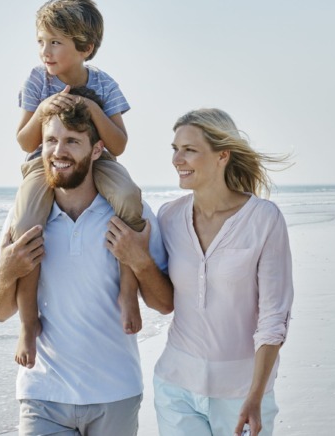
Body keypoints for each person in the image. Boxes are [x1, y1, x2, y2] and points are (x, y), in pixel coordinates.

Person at [0, 101, 173, 435]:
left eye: (72, 141)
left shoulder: (130, 212)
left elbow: (164, 303)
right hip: (42, 394)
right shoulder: (26, 217)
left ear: (97, 149)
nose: (58, 151)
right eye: (51, 141)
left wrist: (138, 260)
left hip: (115, 392)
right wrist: (7, 271)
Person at [108, 108, 293, 436]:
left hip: (242, 394)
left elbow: (274, 319)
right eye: (175, 149)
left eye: (189, 150)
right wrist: (138, 262)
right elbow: (164, 302)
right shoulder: (169, 217)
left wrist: (255, 395)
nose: (177, 159)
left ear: (223, 155)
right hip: (176, 386)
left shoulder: (264, 219)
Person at [11, 0, 146, 369]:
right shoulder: (38, 80)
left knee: (130, 199)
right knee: (24, 228)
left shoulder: (103, 83)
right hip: (44, 163)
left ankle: (129, 293)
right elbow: (25, 142)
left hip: (98, 159)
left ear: (85, 47)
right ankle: (27, 323)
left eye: (56, 42)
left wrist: (93, 111)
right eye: (41, 41)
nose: (45, 51)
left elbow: (119, 143)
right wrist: (43, 109)